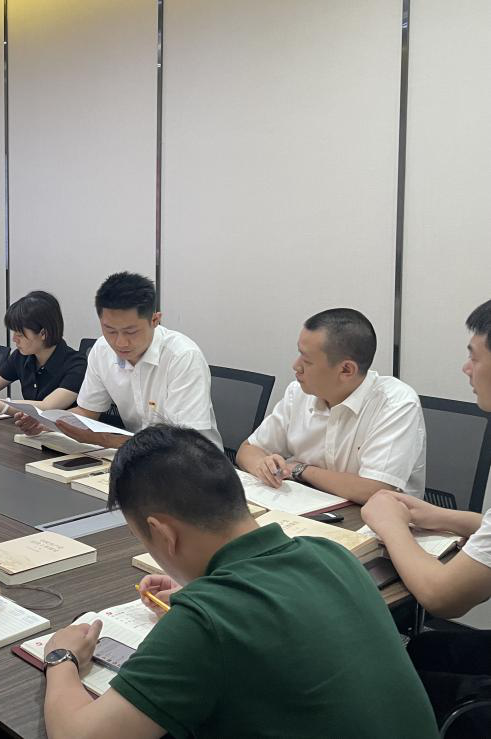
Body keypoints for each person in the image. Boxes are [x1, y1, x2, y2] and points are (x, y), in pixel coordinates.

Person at [41, 424, 437, 739]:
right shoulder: (330, 554)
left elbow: (79, 734)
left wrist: (61, 657)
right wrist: (201, 597)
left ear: (163, 533)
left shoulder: (206, 621)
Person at [362, 299, 491, 736]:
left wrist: (392, 525)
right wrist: (446, 518)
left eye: (474, 356)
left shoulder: (394, 400)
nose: (466, 369)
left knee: (375, 679)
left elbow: (443, 597)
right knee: (417, 650)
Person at [237, 308, 426, 503]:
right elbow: (248, 450)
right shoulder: (298, 393)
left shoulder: (395, 403)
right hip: (305, 506)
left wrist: (300, 470)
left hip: (369, 517)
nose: (296, 366)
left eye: (307, 360)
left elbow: (374, 491)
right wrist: (264, 465)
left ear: (346, 370)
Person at [16, 272, 221, 451]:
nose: (120, 342)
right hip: (139, 458)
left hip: (194, 464)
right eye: (110, 331)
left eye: (131, 331)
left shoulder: (182, 357)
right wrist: (48, 423)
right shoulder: (101, 350)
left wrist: (103, 439)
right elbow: (87, 411)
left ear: (154, 320)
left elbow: (185, 442)